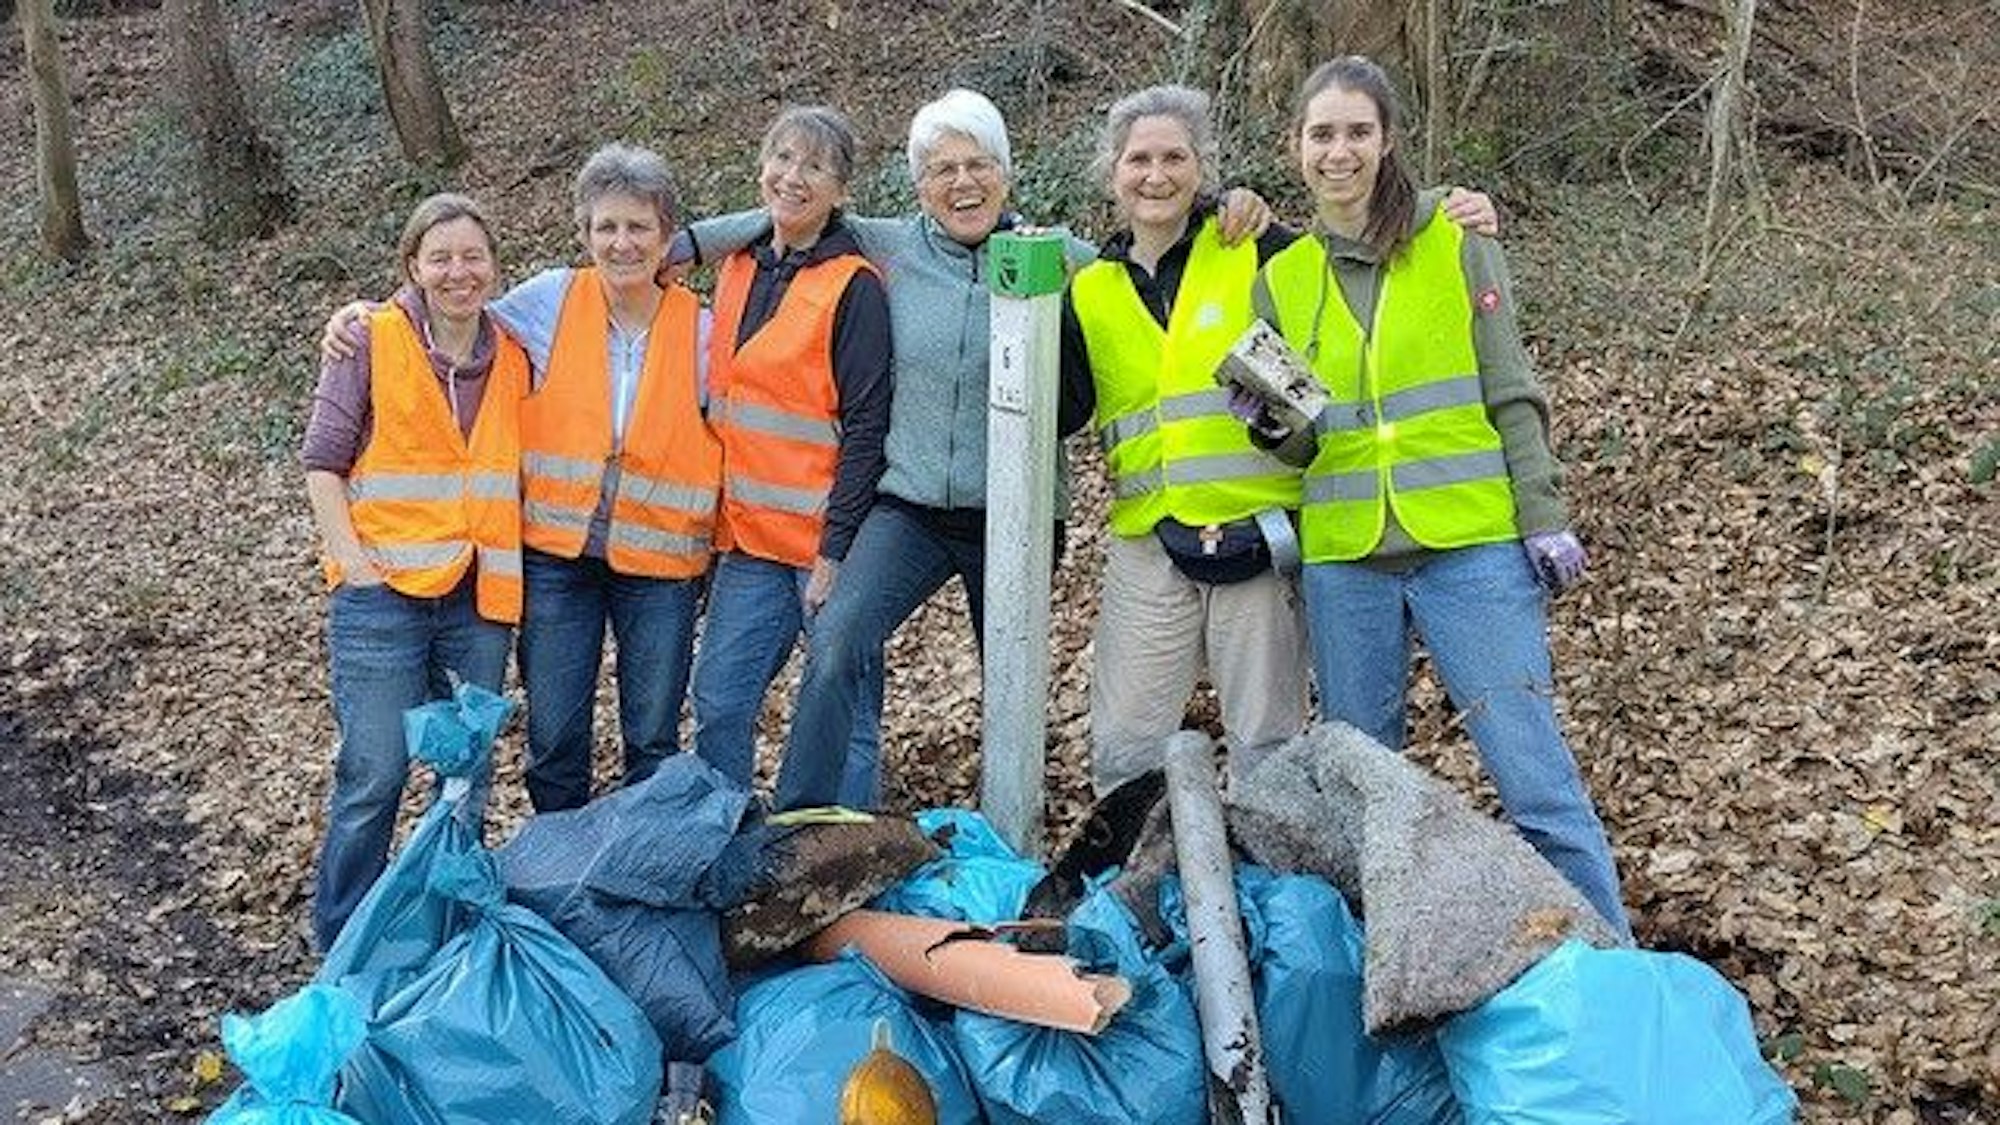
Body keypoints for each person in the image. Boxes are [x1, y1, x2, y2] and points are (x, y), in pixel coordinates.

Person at [1242, 56, 1632, 938]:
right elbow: (1300, 439)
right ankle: (1392, 966)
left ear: (1387, 142)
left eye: (1356, 132)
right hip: (1348, 562)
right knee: (1367, 795)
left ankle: (1618, 970)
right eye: (1321, 135)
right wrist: (1266, 424)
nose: (1338, 152)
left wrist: (1544, 511)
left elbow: (1510, 384)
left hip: (1471, 552)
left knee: (1535, 780)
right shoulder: (1284, 277)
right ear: (1295, 148)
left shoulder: (1458, 240)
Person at [682, 89, 1111, 810]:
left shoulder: (1055, 256)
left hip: (1017, 506)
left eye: (978, 164)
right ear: (918, 185)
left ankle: (1014, 828)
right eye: (942, 168)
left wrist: (1227, 216)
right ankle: (804, 827)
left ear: (1006, 172)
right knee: (838, 641)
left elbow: (1146, 273)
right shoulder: (890, 245)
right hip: (908, 506)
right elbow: (790, 213)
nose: (962, 182)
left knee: (1011, 683)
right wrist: (683, 243)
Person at [1065, 85, 1501, 795]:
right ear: (1112, 171)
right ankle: (1137, 889)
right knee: (1124, 743)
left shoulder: (1260, 249)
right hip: (1149, 541)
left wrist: (1452, 211)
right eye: (1138, 158)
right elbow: (1064, 407)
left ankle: (1272, 892)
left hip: (1260, 539)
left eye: (1175, 156)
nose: (1156, 174)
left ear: (1202, 166)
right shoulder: (1088, 289)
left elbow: (1364, 254)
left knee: (1268, 745)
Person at [322, 144, 720, 815]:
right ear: (585, 233)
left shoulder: (704, 331)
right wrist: (364, 316)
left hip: (662, 564)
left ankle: (641, 880)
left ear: (666, 237)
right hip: (556, 561)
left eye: (638, 227)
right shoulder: (548, 300)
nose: (621, 243)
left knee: (652, 737)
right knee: (555, 735)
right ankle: (555, 876)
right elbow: (449, 310)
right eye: (606, 227)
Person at [302, 193, 526, 950]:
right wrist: (357, 567)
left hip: (479, 596)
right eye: (441, 257)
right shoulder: (371, 339)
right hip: (383, 600)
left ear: (494, 266)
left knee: (465, 776)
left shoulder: (517, 351)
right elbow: (323, 463)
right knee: (373, 776)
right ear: (413, 267)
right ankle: (341, 937)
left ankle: (446, 928)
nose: (458, 272)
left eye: (472, 256)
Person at [687, 106, 893, 793]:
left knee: (848, 719)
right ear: (761, 168)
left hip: (822, 551)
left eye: (814, 166)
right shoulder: (739, 266)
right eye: (781, 158)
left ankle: (846, 865)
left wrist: (836, 551)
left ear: (841, 191)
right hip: (747, 545)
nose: (792, 176)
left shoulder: (853, 285)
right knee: (718, 702)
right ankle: (727, 845)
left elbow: (867, 427)